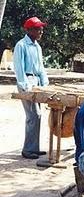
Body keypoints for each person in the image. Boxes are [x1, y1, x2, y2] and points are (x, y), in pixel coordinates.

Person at [13, 17, 49, 159]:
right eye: (38, 28)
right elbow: (19, 68)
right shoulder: (21, 45)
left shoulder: (37, 47)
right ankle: (27, 150)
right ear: (29, 30)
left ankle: (34, 147)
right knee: (33, 116)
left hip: (37, 82)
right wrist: (25, 87)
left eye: (41, 28)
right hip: (27, 81)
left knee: (37, 116)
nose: (41, 31)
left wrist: (45, 83)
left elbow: (40, 68)